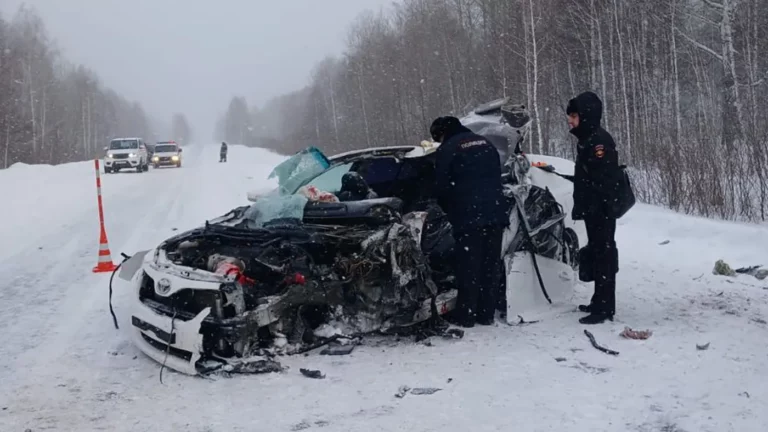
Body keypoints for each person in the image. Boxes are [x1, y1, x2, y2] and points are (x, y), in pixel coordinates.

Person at [430, 116, 508, 328]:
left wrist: (450, 211)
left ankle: (466, 316)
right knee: (490, 266)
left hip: (468, 217)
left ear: (442, 133)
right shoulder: (486, 143)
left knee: (469, 267)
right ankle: (486, 314)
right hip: (495, 214)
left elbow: (441, 187)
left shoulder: (448, 149)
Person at [566, 91, 623, 325]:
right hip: (594, 210)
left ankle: (605, 307)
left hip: (602, 211)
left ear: (585, 115)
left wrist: (594, 204)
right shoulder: (587, 139)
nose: (570, 120)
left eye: (573, 115)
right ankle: (598, 300)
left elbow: (603, 180)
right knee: (598, 253)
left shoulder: (598, 142)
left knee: (604, 255)